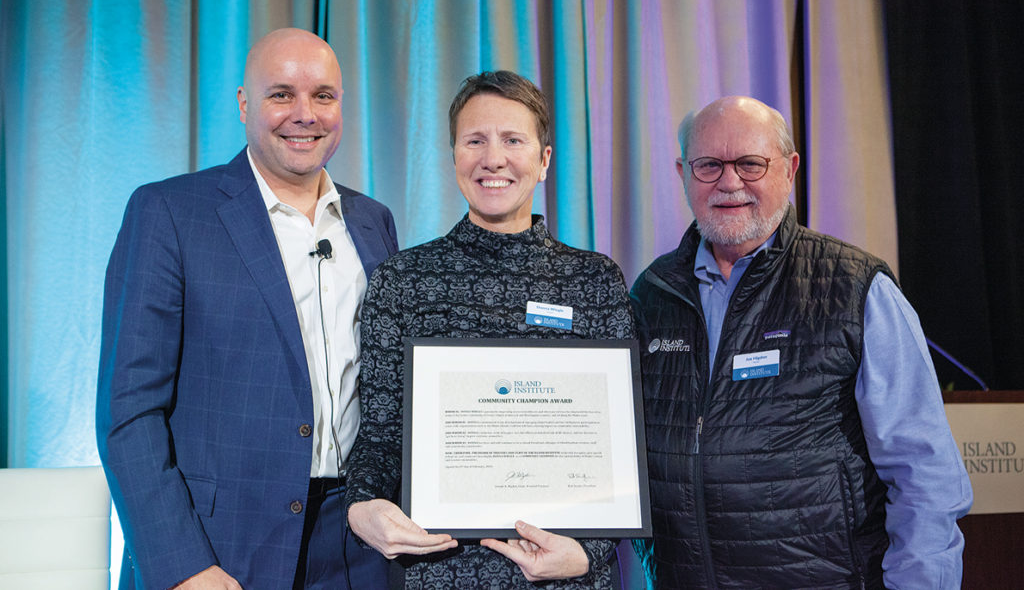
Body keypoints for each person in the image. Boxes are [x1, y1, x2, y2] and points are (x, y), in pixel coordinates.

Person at [97, 28, 397, 589]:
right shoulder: (169, 212)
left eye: (324, 96)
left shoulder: (372, 221)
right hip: (219, 547)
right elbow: (128, 411)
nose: (304, 114)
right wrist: (183, 565)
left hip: (357, 545)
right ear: (242, 104)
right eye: (281, 94)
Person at [631, 96, 972, 589]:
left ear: (789, 170)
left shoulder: (855, 287)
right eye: (709, 166)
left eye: (750, 163)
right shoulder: (652, 293)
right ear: (683, 172)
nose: (730, 182)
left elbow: (924, 473)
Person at [343, 70, 635, 589]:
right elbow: (382, 434)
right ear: (454, 155)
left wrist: (590, 553)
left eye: (513, 140)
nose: (493, 159)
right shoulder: (404, 280)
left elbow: (621, 449)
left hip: (564, 578)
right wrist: (361, 505)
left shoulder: (595, 280)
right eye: (475, 140)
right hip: (440, 573)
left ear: (544, 160)